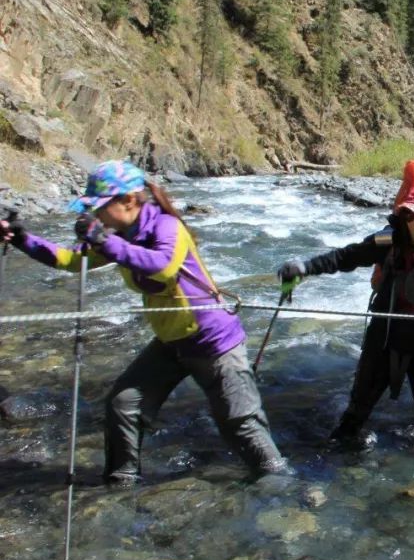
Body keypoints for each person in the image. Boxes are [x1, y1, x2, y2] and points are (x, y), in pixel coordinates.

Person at [0, 161, 287, 483]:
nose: (96, 215)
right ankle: (122, 481)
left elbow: (162, 266)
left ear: (128, 201)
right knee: (124, 405)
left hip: (212, 340)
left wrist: (105, 242)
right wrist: (23, 240)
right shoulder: (118, 235)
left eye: (100, 207)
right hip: (171, 340)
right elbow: (70, 261)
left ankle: (279, 481)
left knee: (239, 422)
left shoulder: (167, 227)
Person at [277, 183, 414, 441]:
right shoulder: (389, 241)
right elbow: (346, 257)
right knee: (352, 420)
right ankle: (343, 457)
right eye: (408, 215)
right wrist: (304, 268)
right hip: (385, 337)